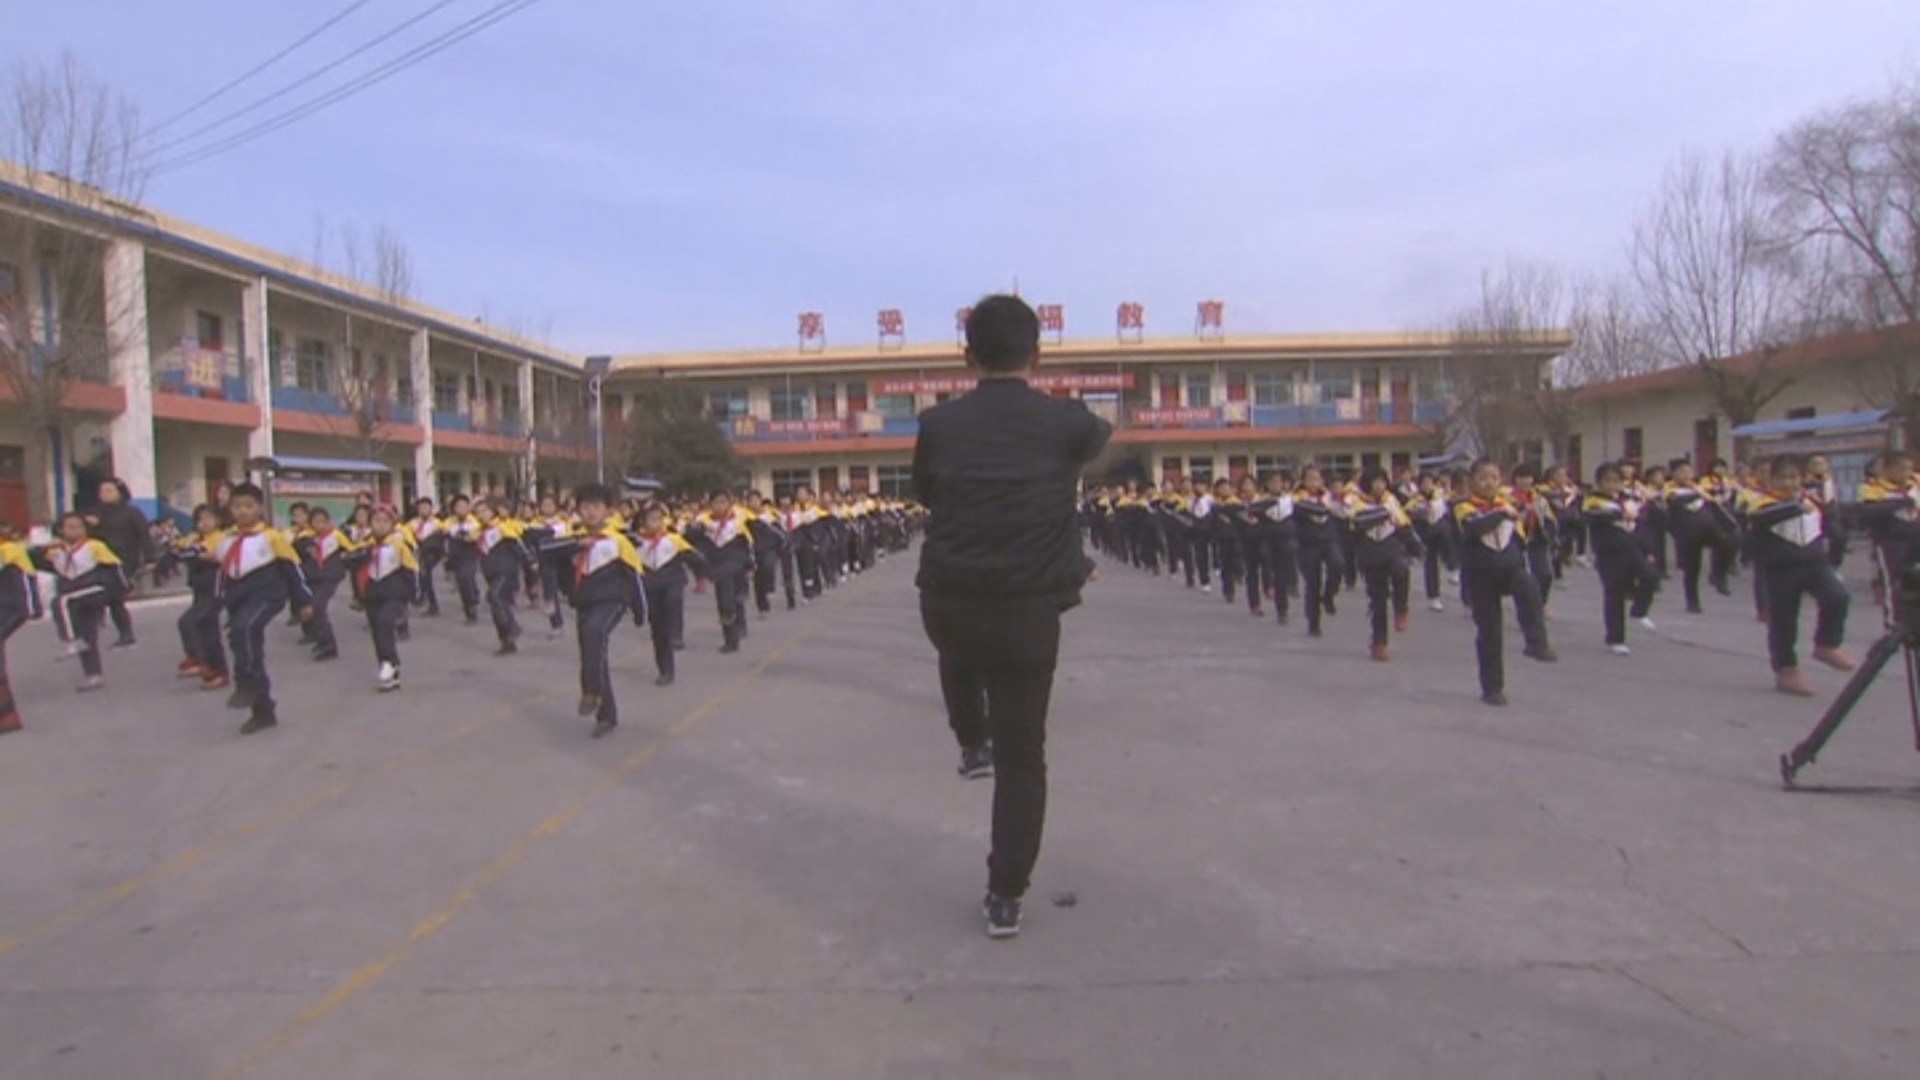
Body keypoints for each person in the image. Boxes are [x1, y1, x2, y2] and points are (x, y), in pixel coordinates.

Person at [914, 294, 1112, 940]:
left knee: (958, 647)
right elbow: (1099, 437)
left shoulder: (939, 425)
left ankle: (972, 740)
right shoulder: (1066, 424)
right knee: (1026, 758)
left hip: (951, 601)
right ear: (1039, 353)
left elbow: (926, 491)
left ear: (966, 356)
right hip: (1028, 612)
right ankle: (1006, 896)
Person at [1749, 455, 1855, 696]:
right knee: (1784, 621)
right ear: (1771, 480)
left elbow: (1830, 522)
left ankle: (1827, 643)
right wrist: (1794, 507)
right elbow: (1761, 519)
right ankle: (1786, 669)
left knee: (1837, 597)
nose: (1788, 483)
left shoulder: (1813, 501)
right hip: (1781, 569)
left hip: (1815, 563)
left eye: (1793, 478)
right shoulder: (1761, 503)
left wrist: (1837, 538)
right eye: (1782, 478)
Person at [1454, 459, 1557, 706]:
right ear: (1471, 482)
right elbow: (1475, 528)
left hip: (1509, 569)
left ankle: (1536, 642)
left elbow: (1521, 538)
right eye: (1483, 478)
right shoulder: (1464, 507)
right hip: (1481, 576)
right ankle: (1492, 688)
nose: (1489, 483)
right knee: (1490, 632)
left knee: (1530, 588)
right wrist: (1502, 513)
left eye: (1494, 478)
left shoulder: (1508, 505)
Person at [217, 483, 313, 735]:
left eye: (249, 506)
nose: (243, 512)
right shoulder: (226, 539)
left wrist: (303, 601)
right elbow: (223, 574)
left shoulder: (272, 537)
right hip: (239, 598)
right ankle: (263, 710)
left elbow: (293, 570)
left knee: (244, 628)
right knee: (244, 644)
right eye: (237, 506)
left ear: (259, 508)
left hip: (268, 595)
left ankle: (244, 683)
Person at [562, 484, 647, 738]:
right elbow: (544, 554)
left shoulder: (618, 541)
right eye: (585, 507)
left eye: (596, 507)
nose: (590, 513)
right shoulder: (572, 539)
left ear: (608, 511)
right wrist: (575, 546)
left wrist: (641, 611)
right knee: (593, 652)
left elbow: (636, 577)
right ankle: (606, 714)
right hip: (584, 602)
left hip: (612, 600)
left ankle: (591, 693)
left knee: (595, 633)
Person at [31, 512, 128, 692]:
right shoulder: (57, 550)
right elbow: (34, 560)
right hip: (76, 594)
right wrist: (43, 550)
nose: (76, 531)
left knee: (60, 602)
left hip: (95, 588)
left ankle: (69, 641)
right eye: (71, 527)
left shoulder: (94, 546)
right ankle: (93, 674)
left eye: (80, 527)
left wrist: (118, 593)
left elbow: (115, 567)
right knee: (86, 633)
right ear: (60, 530)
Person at [1583, 462, 1661, 656]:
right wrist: (1622, 512)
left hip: (1632, 549)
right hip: (1609, 554)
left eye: (1616, 481)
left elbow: (1643, 520)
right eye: (1607, 481)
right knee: (1614, 594)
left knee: (1651, 577)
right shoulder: (1593, 500)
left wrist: (1648, 548)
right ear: (1599, 483)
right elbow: (1595, 516)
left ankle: (1639, 610)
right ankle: (1615, 639)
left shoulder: (1627, 499)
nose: (1612, 485)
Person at [343, 505, 418, 692]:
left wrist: (412, 593)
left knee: (385, 623)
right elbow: (348, 562)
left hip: (394, 593)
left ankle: (389, 663)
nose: (381, 525)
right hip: (372, 594)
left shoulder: (398, 545)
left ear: (393, 524)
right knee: (377, 630)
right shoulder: (365, 545)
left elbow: (411, 569)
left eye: (386, 521)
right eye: (377, 521)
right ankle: (389, 666)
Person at [635, 503, 706, 687]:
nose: (657, 523)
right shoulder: (637, 543)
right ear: (643, 522)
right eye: (652, 520)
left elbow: (694, 556)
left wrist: (707, 571)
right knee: (658, 631)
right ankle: (665, 669)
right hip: (651, 587)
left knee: (674, 600)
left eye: (659, 519)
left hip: (672, 581)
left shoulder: (673, 539)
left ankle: (676, 634)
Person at [84, 477, 146, 649]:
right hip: (99, 560)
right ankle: (93, 630)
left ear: (120, 493)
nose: (104, 494)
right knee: (99, 596)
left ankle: (126, 633)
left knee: (115, 598)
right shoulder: (94, 513)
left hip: (123, 560)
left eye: (109, 491)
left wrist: (150, 558)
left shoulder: (131, 512)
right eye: (102, 491)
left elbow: (144, 535)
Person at [0, 522, 42, 734]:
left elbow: (23, 593)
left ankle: (7, 717)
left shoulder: (9, 552)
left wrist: (31, 610)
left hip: (9, 609)